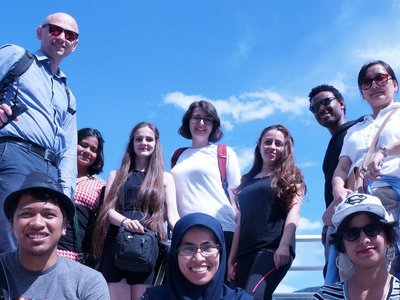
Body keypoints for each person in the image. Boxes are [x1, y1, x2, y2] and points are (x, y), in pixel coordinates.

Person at [0, 12, 79, 254]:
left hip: (51, 171)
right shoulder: (16, 56)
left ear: (74, 45)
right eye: (54, 30)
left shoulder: (69, 95)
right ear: (39, 32)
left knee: (40, 246)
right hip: (15, 155)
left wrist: (66, 195)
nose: (62, 37)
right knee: (10, 236)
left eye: (69, 34)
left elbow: (68, 149)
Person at [93, 122, 179, 300]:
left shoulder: (165, 178)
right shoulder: (116, 175)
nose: (144, 142)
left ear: (156, 143)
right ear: (132, 142)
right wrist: (125, 221)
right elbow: (107, 211)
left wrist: (188, 234)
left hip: (147, 247)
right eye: (139, 139)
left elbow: (172, 216)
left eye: (149, 139)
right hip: (118, 242)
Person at [332, 60, 400, 275]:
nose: (374, 85)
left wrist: (384, 151)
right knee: (349, 267)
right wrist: (338, 189)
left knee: (385, 266)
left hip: (390, 194)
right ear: (362, 92)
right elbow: (342, 168)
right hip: (357, 200)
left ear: (395, 84)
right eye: (366, 82)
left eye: (380, 78)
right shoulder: (355, 129)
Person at [0, 172, 109, 299]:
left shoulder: (88, 282)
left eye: (49, 215)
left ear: (64, 226)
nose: (37, 223)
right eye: (26, 214)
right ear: (12, 224)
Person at [227, 125, 305, 300]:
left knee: (253, 296)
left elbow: (294, 211)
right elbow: (241, 222)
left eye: (279, 143)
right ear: (259, 145)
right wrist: (231, 260)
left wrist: (284, 245)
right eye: (268, 142)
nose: (273, 147)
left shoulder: (291, 176)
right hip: (245, 251)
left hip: (272, 248)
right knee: (240, 296)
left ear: (285, 148)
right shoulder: (247, 180)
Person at [171, 100, 241, 260]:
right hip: (185, 230)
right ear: (188, 121)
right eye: (196, 117)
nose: (201, 123)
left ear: (214, 125)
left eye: (207, 119)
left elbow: (235, 196)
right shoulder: (177, 155)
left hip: (220, 229)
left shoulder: (224, 152)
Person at [308, 84, 362, 283]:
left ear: (341, 103)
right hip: (334, 222)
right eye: (315, 107)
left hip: (353, 217)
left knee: (352, 278)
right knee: (335, 279)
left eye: (325, 102)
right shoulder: (333, 143)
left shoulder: (358, 129)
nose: (321, 109)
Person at [141, 212, 253, 299]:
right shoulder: (153, 297)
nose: (199, 258)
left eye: (208, 247)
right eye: (188, 248)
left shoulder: (240, 298)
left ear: (221, 252)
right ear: (175, 255)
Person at [313, 193, 400, 299]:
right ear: (342, 245)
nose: (364, 240)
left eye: (372, 229)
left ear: (387, 236)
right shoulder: (324, 297)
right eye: (351, 233)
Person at [58, 128, 106, 262]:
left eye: (93, 149)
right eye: (83, 145)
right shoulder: (54, 172)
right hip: (42, 248)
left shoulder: (100, 185)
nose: (87, 151)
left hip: (73, 255)